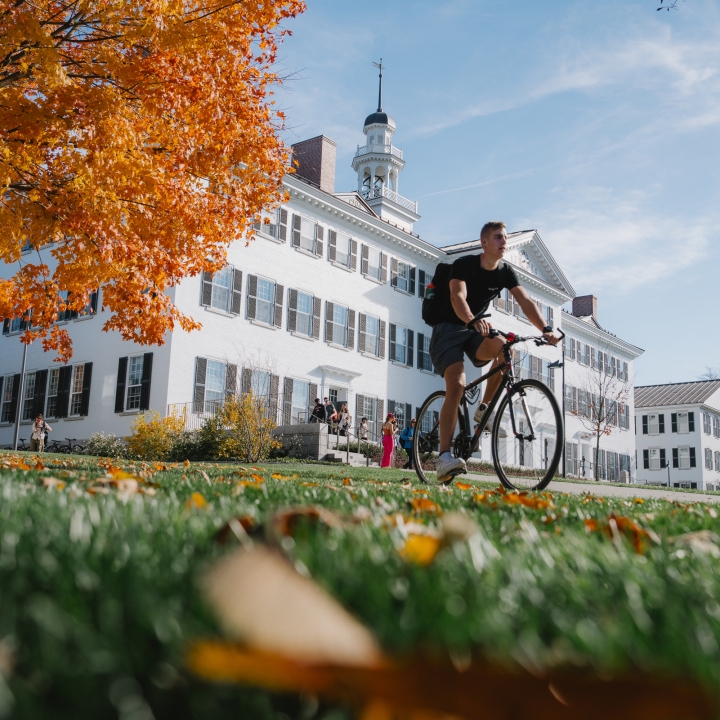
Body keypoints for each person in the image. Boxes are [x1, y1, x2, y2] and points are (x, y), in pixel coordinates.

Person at [429, 221, 559, 483]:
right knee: (457, 384)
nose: (504, 242)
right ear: (484, 242)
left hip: (476, 330)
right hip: (448, 329)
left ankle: (484, 411)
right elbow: (458, 297)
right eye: (498, 237)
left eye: (505, 237)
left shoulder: (504, 272)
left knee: (504, 347)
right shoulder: (464, 265)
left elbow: (525, 301)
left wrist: (545, 329)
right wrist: (471, 320)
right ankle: (443, 457)